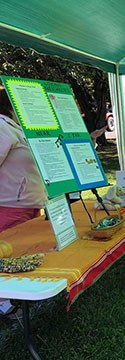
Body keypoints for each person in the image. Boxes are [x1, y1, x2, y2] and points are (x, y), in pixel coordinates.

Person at [0, 87, 48, 317]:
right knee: (9, 253)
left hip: (28, 203)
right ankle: (4, 301)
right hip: (11, 204)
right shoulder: (2, 126)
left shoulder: (16, 128)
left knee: (25, 252)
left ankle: (19, 295)